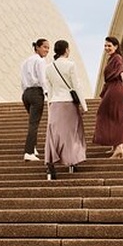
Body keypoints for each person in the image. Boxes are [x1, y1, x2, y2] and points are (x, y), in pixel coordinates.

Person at [44, 39, 88, 180]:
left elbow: (49, 90)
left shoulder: (49, 68)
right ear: (66, 50)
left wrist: (49, 107)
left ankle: (50, 164)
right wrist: (84, 105)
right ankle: (72, 162)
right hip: (69, 104)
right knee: (72, 133)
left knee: (53, 134)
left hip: (55, 104)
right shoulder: (70, 65)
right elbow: (76, 86)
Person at [93, 36, 123, 159]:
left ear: (116, 46)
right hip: (112, 90)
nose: (107, 48)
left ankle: (119, 147)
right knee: (113, 116)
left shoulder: (117, 58)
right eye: (105, 45)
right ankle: (115, 146)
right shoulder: (111, 59)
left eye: (109, 45)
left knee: (114, 116)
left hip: (116, 89)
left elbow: (121, 70)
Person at [20, 38, 50, 162]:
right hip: (36, 93)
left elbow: (22, 79)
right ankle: (29, 152)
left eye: (48, 48)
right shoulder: (40, 61)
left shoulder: (25, 62)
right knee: (34, 124)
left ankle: (33, 147)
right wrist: (47, 92)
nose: (47, 50)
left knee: (33, 122)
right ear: (37, 47)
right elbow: (43, 79)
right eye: (45, 47)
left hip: (26, 93)